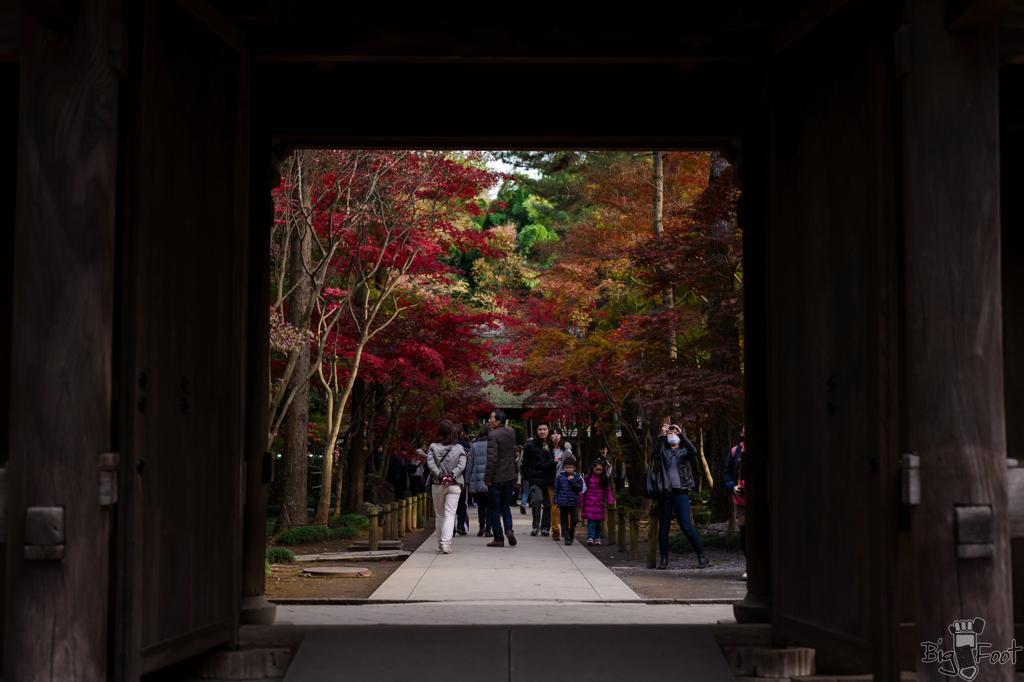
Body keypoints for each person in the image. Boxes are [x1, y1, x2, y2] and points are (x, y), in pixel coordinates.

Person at [652, 424, 707, 570]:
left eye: (673, 433)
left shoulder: (685, 451)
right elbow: (654, 455)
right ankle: (664, 559)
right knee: (664, 527)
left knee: (686, 525)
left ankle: (702, 555)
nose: (672, 435)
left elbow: (693, 451)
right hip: (665, 492)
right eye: (670, 434)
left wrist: (681, 434)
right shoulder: (663, 451)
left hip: (681, 491)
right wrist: (661, 436)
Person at [426, 420, 467, 554]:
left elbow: (430, 464)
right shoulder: (459, 448)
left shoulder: (433, 447)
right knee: (450, 514)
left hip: (438, 484)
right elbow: (461, 466)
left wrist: (440, 475)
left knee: (440, 515)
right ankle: (445, 544)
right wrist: (451, 476)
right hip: (454, 484)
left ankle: (440, 542)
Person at [485, 408, 518, 547]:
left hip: (497, 477)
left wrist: (487, 477)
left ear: (498, 420)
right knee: (505, 506)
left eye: (491, 418)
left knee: (494, 508)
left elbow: (492, 460)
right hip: (509, 475)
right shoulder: (510, 431)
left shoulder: (493, 435)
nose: (489, 420)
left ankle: (498, 538)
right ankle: (509, 530)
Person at [724, 423, 746, 579]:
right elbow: (727, 473)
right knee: (745, 534)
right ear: (741, 432)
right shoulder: (735, 451)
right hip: (740, 498)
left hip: (759, 498)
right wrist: (733, 487)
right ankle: (750, 565)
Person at [523, 423, 552, 536]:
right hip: (536, 478)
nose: (542, 432)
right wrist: (529, 475)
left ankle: (545, 527)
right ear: (536, 431)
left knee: (548, 505)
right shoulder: (531, 445)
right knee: (535, 501)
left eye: (544, 429)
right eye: (540, 429)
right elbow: (525, 462)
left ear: (548, 430)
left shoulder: (552, 444)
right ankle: (535, 526)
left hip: (549, 479)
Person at [581, 457, 616, 545]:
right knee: (590, 523)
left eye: (600, 470)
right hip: (589, 503)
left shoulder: (604, 479)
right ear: (592, 468)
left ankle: (597, 537)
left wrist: (610, 501)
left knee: (598, 523)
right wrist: (581, 503)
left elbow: (608, 491)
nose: (598, 472)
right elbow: (583, 491)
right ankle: (590, 537)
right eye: (596, 469)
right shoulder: (587, 478)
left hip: (599, 504)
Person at [466, 423, 492, 537]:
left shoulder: (475, 445)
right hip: (491, 478)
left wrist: (467, 481)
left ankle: (481, 527)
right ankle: (488, 530)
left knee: (481, 505)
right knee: (490, 505)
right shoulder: (493, 444)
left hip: (478, 479)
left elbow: (469, 464)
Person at [547, 426, 572, 541]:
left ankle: (568, 531)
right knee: (554, 508)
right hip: (552, 482)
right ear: (550, 436)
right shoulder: (546, 450)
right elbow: (543, 466)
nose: (556, 436)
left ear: (561, 435)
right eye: (553, 434)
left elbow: (572, 463)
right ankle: (555, 531)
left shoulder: (566, 449)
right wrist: (554, 461)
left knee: (567, 507)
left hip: (565, 483)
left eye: (558, 434)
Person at [552, 455, 584, 545]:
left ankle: (571, 532)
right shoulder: (560, 477)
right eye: (566, 467)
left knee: (574, 519)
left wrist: (572, 480)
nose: (568, 469)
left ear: (574, 468)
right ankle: (567, 537)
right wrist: (556, 501)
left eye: (570, 467)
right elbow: (556, 490)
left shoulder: (578, 478)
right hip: (562, 502)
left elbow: (580, 489)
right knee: (564, 521)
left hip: (573, 503)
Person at [454, 424, 472, 535]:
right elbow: (469, 464)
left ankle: (450, 528)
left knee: (448, 505)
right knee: (462, 503)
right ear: (461, 433)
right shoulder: (466, 447)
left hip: (445, 479)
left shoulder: (442, 445)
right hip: (462, 478)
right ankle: (461, 525)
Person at [514, 445, 526, 513]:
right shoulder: (519, 456)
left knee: (525, 491)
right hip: (520, 475)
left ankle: (523, 504)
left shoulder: (522, 455)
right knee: (526, 490)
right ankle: (523, 504)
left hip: (522, 474)